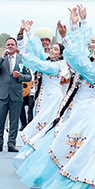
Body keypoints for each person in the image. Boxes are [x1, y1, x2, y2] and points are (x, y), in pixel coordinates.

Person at [17, 5, 95, 189]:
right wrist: (76, 24)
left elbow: (76, 57)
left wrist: (68, 34)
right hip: (73, 113)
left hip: (87, 117)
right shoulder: (85, 63)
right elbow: (78, 53)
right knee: (69, 152)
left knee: (86, 154)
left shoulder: (94, 71)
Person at [11, 21, 68, 172]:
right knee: (39, 126)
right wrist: (28, 32)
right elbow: (35, 51)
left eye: (55, 49)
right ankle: (34, 159)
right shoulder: (48, 59)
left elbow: (37, 63)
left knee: (45, 128)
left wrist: (21, 52)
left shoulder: (57, 66)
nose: (51, 50)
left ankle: (43, 158)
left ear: (60, 53)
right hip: (42, 97)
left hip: (52, 99)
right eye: (52, 48)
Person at [0, 37, 32, 152]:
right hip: (2, 94)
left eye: (12, 44)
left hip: (16, 94)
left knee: (14, 121)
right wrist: (2, 57)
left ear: (16, 47)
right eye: (8, 44)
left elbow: (29, 77)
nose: (10, 46)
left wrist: (20, 76)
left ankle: (11, 143)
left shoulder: (21, 60)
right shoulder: (0, 59)